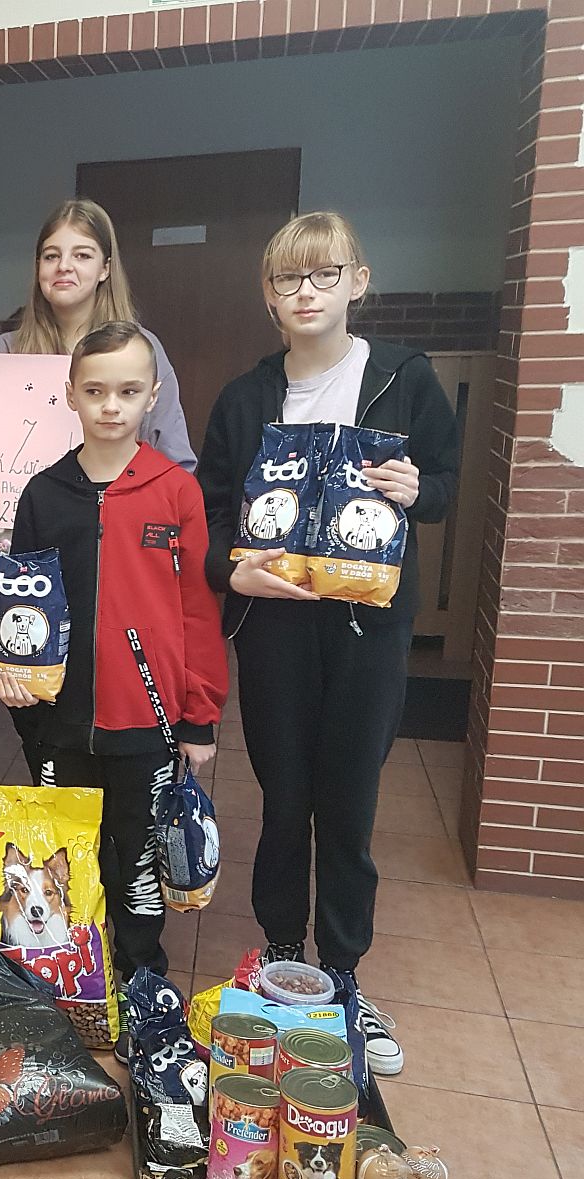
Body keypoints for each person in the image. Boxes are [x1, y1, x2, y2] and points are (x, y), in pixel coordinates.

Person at [198, 212, 460, 1077]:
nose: (305, 293)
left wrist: (419, 490)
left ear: (358, 281)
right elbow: (212, 511)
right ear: (267, 295)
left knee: (348, 803)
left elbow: (446, 483)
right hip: (275, 629)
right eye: (287, 279)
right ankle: (283, 960)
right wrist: (230, 571)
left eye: (324, 275)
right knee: (283, 798)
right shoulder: (245, 398)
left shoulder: (403, 379)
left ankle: (343, 975)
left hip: (368, 631)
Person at [0, 321, 227, 996]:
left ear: (153, 395)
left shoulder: (175, 491)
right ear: (70, 395)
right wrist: (11, 676)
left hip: (147, 719)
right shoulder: (43, 493)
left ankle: (140, 974)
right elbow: (21, 601)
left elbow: (197, 611)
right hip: (58, 720)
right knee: (66, 851)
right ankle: (72, 972)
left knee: (137, 854)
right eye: (95, 391)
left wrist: (200, 715)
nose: (111, 406)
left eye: (128, 391)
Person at [0, 199, 196, 471]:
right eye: (51, 256)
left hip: (124, 497)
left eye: (82, 256)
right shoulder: (6, 351)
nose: (64, 266)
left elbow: (177, 465)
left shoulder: (145, 349)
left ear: (105, 268)